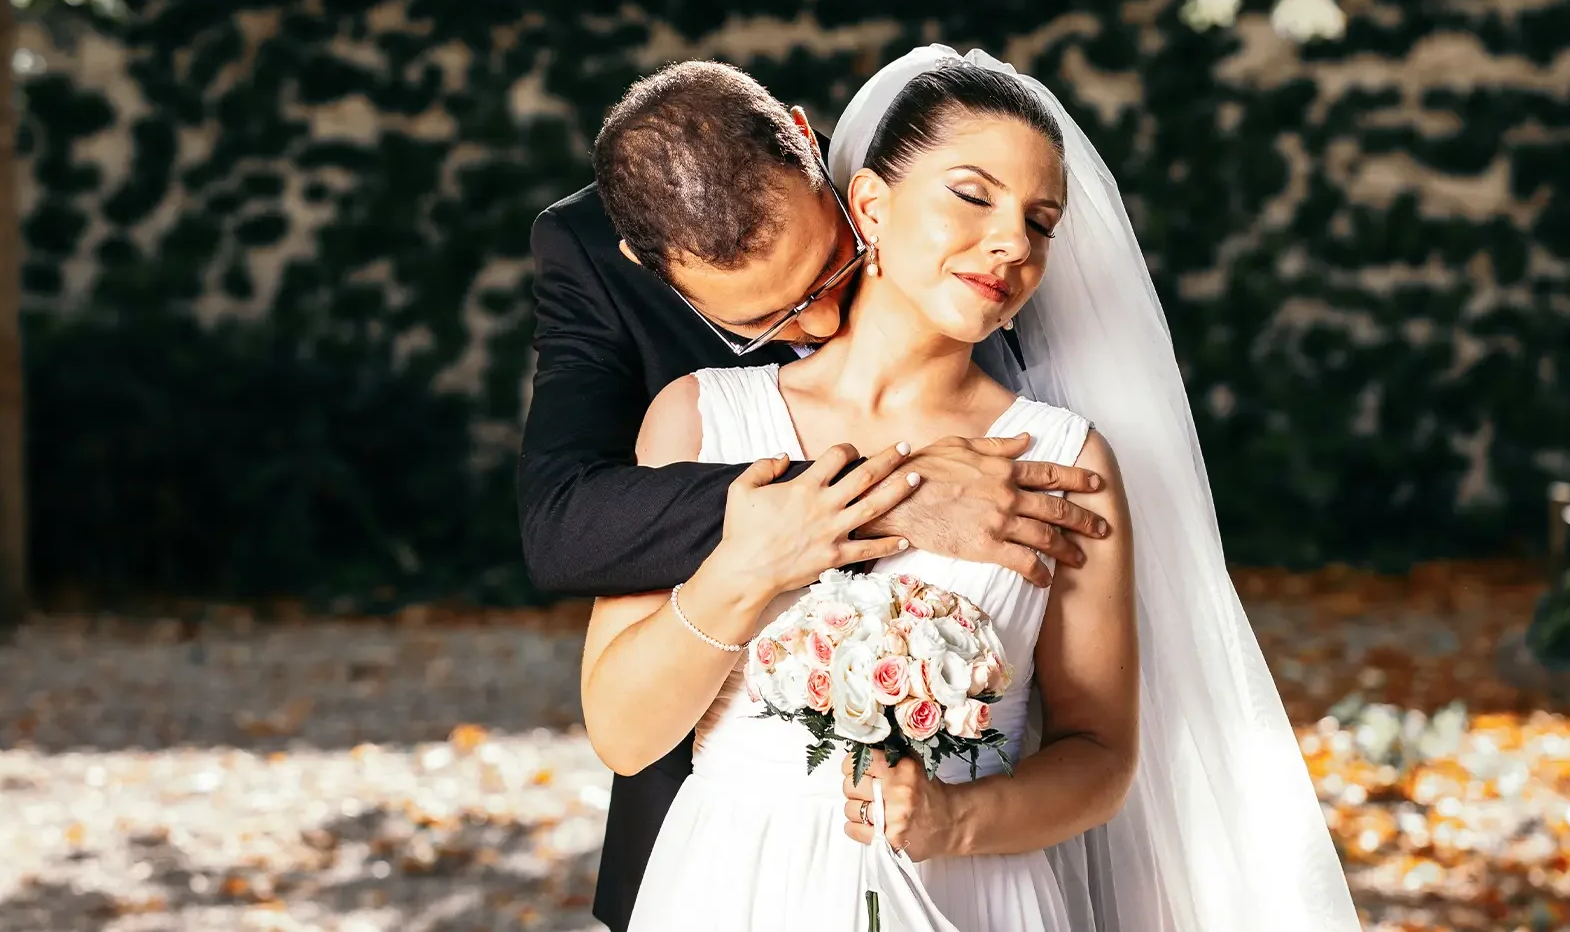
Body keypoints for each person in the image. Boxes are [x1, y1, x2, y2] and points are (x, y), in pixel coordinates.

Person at [579, 48, 1362, 931]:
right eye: (972, 193)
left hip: (973, 894)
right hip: (733, 886)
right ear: (871, 203)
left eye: (1041, 219)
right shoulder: (696, 420)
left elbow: (1099, 754)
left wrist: (959, 820)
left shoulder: (1068, 461)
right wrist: (749, 565)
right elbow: (622, 732)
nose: (1012, 242)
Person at [516, 59, 1115, 932]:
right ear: (653, 269)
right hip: (724, 864)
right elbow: (566, 524)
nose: (824, 322)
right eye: (765, 323)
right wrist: (875, 500)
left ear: (825, 161)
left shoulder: (946, 187)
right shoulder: (680, 392)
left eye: (831, 270)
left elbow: (1099, 741)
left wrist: (964, 818)